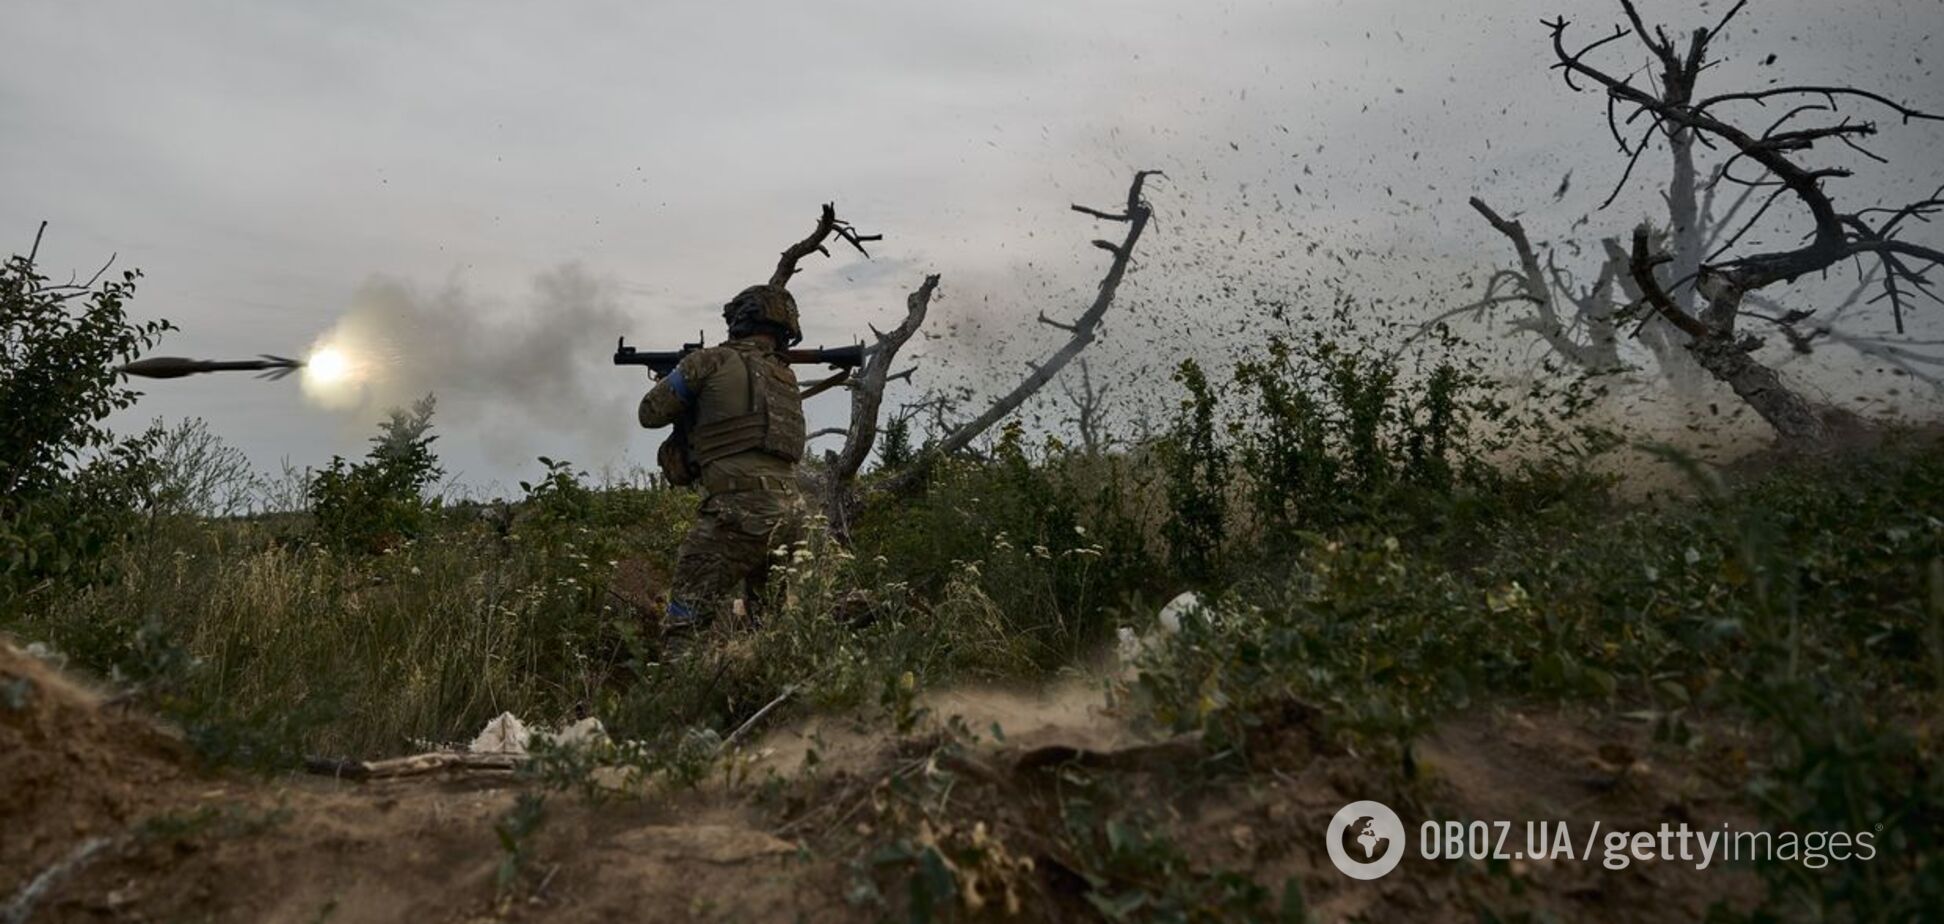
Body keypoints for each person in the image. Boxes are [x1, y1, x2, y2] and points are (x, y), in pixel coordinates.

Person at [638, 284, 807, 640]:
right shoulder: (783, 376)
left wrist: (681, 374)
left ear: (739, 321)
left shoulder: (710, 361)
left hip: (737, 511)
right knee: (770, 628)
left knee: (685, 619)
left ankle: (679, 692)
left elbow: (650, 413)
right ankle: (772, 691)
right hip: (791, 514)